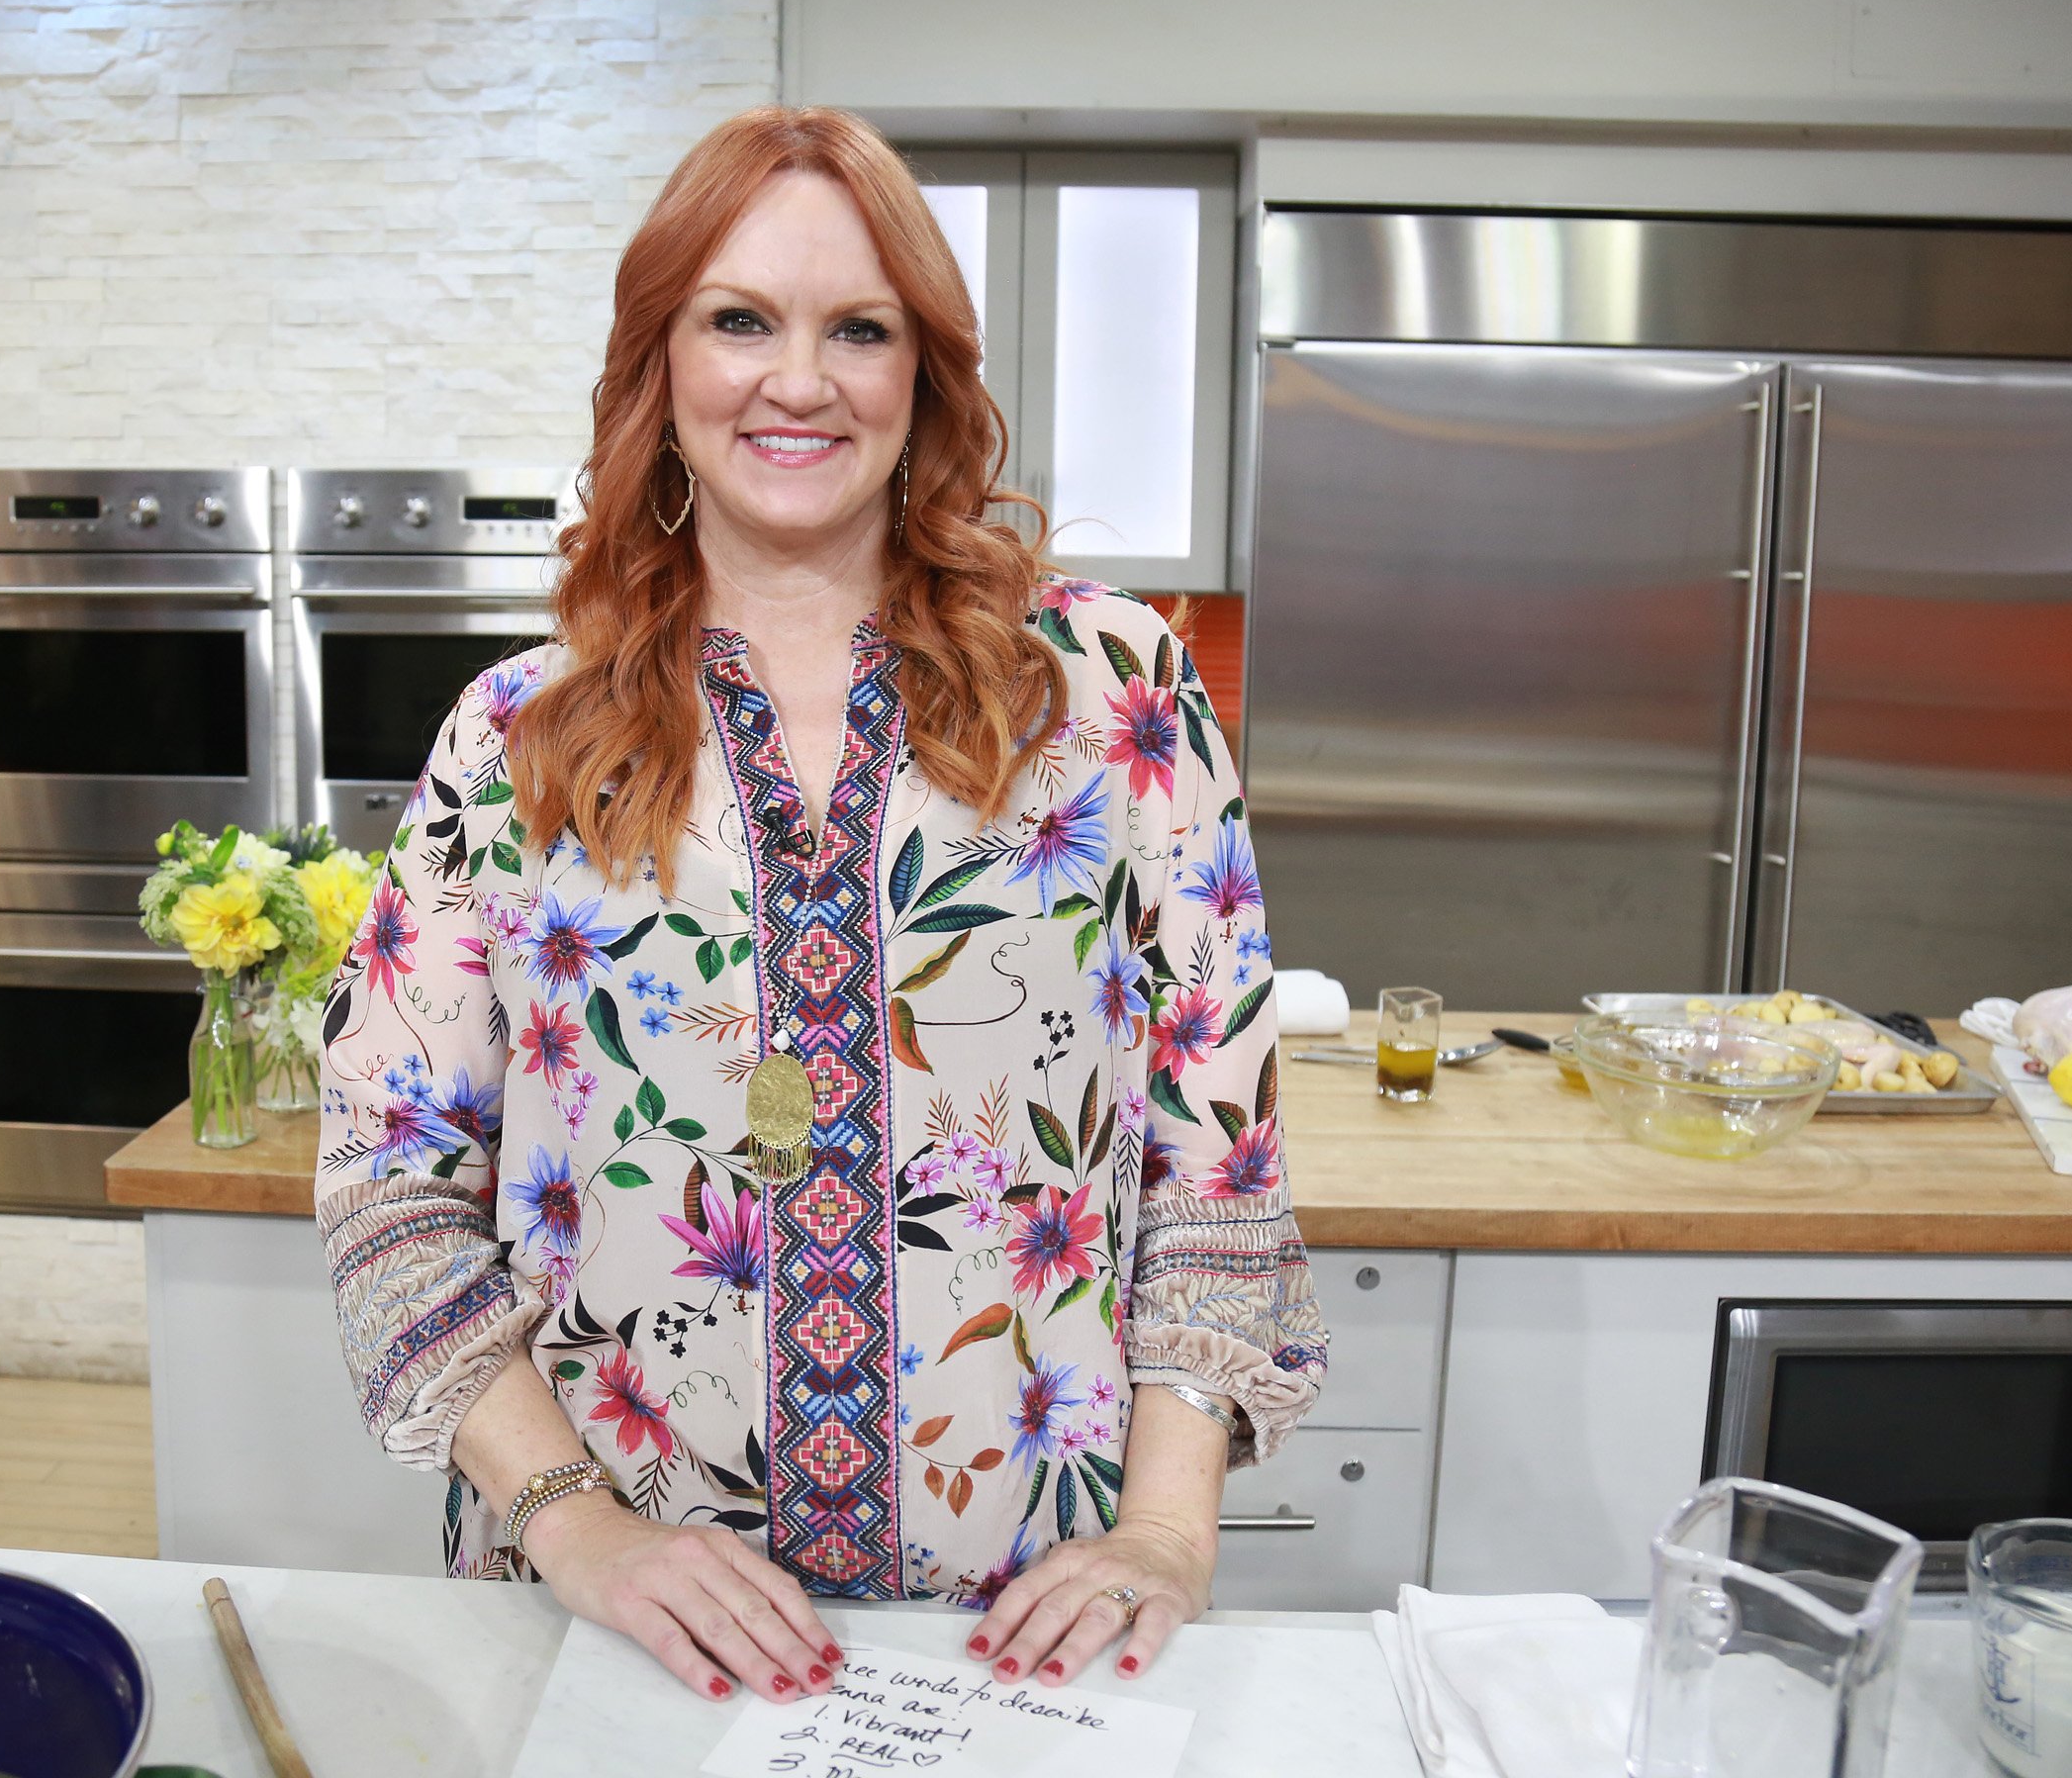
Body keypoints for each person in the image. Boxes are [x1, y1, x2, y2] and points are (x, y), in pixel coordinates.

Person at [317, 104, 1324, 1708]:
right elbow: (390, 1185)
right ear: (661, 362)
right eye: (739, 321)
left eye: (859, 328)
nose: (799, 381)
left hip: (1023, 1629)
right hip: (616, 1632)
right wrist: (577, 1529)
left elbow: (1220, 1163)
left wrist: (1166, 1534)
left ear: (921, 373)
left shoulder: (1111, 696)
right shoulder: (521, 736)